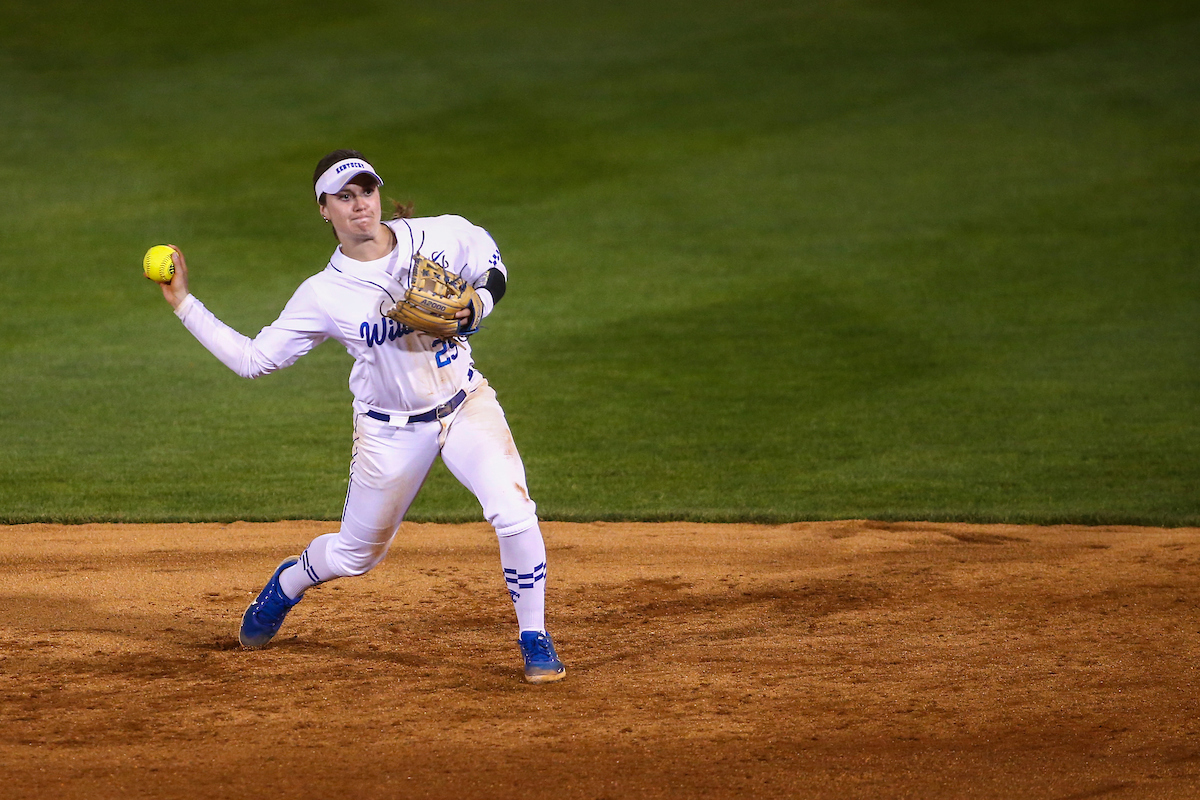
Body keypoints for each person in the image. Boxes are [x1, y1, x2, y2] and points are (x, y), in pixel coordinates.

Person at [155, 149, 565, 684]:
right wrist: (185, 302)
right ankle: (289, 583)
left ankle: (534, 637)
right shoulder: (324, 294)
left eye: (366, 191)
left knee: (513, 511)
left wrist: (477, 305)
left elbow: (489, 260)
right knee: (354, 556)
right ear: (324, 209)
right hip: (388, 431)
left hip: (466, 404)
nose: (359, 205)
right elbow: (255, 362)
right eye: (343, 197)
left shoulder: (436, 235)